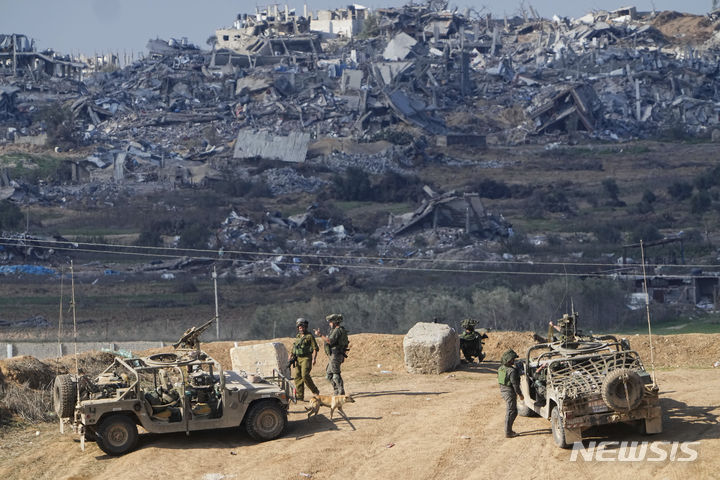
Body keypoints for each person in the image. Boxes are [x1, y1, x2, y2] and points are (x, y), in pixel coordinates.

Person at [314, 313, 349, 395]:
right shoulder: (337, 330)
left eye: (330, 322)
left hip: (335, 355)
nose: (329, 324)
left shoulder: (337, 331)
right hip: (334, 355)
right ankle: (336, 390)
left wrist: (319, 335)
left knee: (336, 374)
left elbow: (329, 341)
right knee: (329, 374)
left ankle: (341, 391)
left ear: (335, 322)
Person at [289, 317, 320, 401]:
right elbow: (294, 347)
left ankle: (315, 391)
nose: (301, 329)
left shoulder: (309, 336)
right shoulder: (298, 336)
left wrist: (314, 359)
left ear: (305, 327)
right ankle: (299, 395)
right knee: (297, 377)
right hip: (298, 358)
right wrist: (291, 356)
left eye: (302, 327)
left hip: (306, 358)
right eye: (299, 327)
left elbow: (315, 348)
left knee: (305, 375)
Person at [498, 349, 524, 438]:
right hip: (509, 392)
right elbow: (515, 385)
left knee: (513, 411)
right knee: (511, 412)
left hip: (503, 390)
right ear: (509, 360)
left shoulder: (501, 368)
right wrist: (520, 394)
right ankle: (508, 432)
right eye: (513, 359)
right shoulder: (512, 371)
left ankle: (508, 431)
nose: (514, 361)